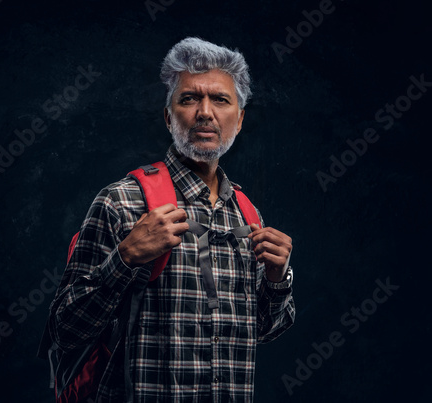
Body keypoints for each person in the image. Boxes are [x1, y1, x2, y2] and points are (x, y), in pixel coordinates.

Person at [47, 36, 295, 402]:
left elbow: (260, 331)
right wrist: (125, 258)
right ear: (168, 116)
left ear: (239, 120)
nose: (205, 112)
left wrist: (277, 280)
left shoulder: (247, 213)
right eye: (190, 98)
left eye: (220, 99)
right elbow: (63, 329)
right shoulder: (122, 201)